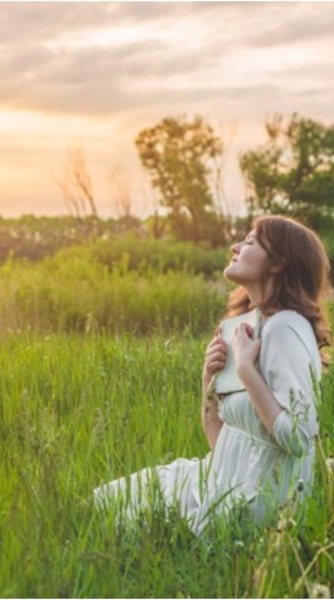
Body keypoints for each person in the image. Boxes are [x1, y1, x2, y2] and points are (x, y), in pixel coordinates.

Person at [93, 215, 331, 535]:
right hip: (222, 479)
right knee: (107, 500)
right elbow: (223, 443)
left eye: (249, 242)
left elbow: (300, 438)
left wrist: (247, 371)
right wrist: (209, 379)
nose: (235, 246)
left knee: (124, 518)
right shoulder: (251, 326)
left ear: (278, 263)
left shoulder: (284, 327)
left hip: (259, 503)